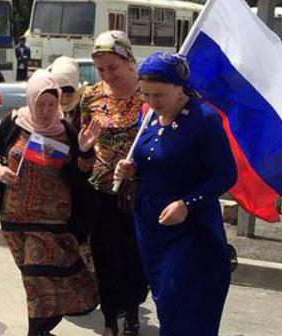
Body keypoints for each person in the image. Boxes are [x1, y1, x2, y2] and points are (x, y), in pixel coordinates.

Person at [114, 51, 237, 335]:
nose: (152, 102)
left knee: (184, 302)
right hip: (150, 225)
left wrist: (187, 203)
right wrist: (133, 170)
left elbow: (226, 174)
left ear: (179, 86)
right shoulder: (147, 117)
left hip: (191, 230)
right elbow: (151, 160)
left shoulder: (204, 119)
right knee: (165, 303)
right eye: (146, 94)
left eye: (159, 95)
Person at [0, 69, 102, 336]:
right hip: (13, 219)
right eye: (41, 104)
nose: (47, 110)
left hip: (51, 223)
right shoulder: (13, 124)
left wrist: (84, 151)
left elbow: (80, 176)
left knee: (37, 279)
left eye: (52, 104)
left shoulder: (68, 133)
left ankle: (35, 333)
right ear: (31, 100)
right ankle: (42, 331)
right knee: (32, 281)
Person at [80, 31, 148, 336]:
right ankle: (109, 320)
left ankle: (132, 313)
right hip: (101, 193)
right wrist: (82, 149)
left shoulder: (147, 94)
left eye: (113, 68)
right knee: (104, 258)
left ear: (128, 61)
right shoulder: (91, 96)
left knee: (134, 258)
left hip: (137, 195)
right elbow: (81, 146)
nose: (108, 75)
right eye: (101, 69)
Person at [49, 56, 84, 130]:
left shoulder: (86, 107)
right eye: (60, 95)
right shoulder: (48, 106)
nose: (64, 100)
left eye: (69, 95)